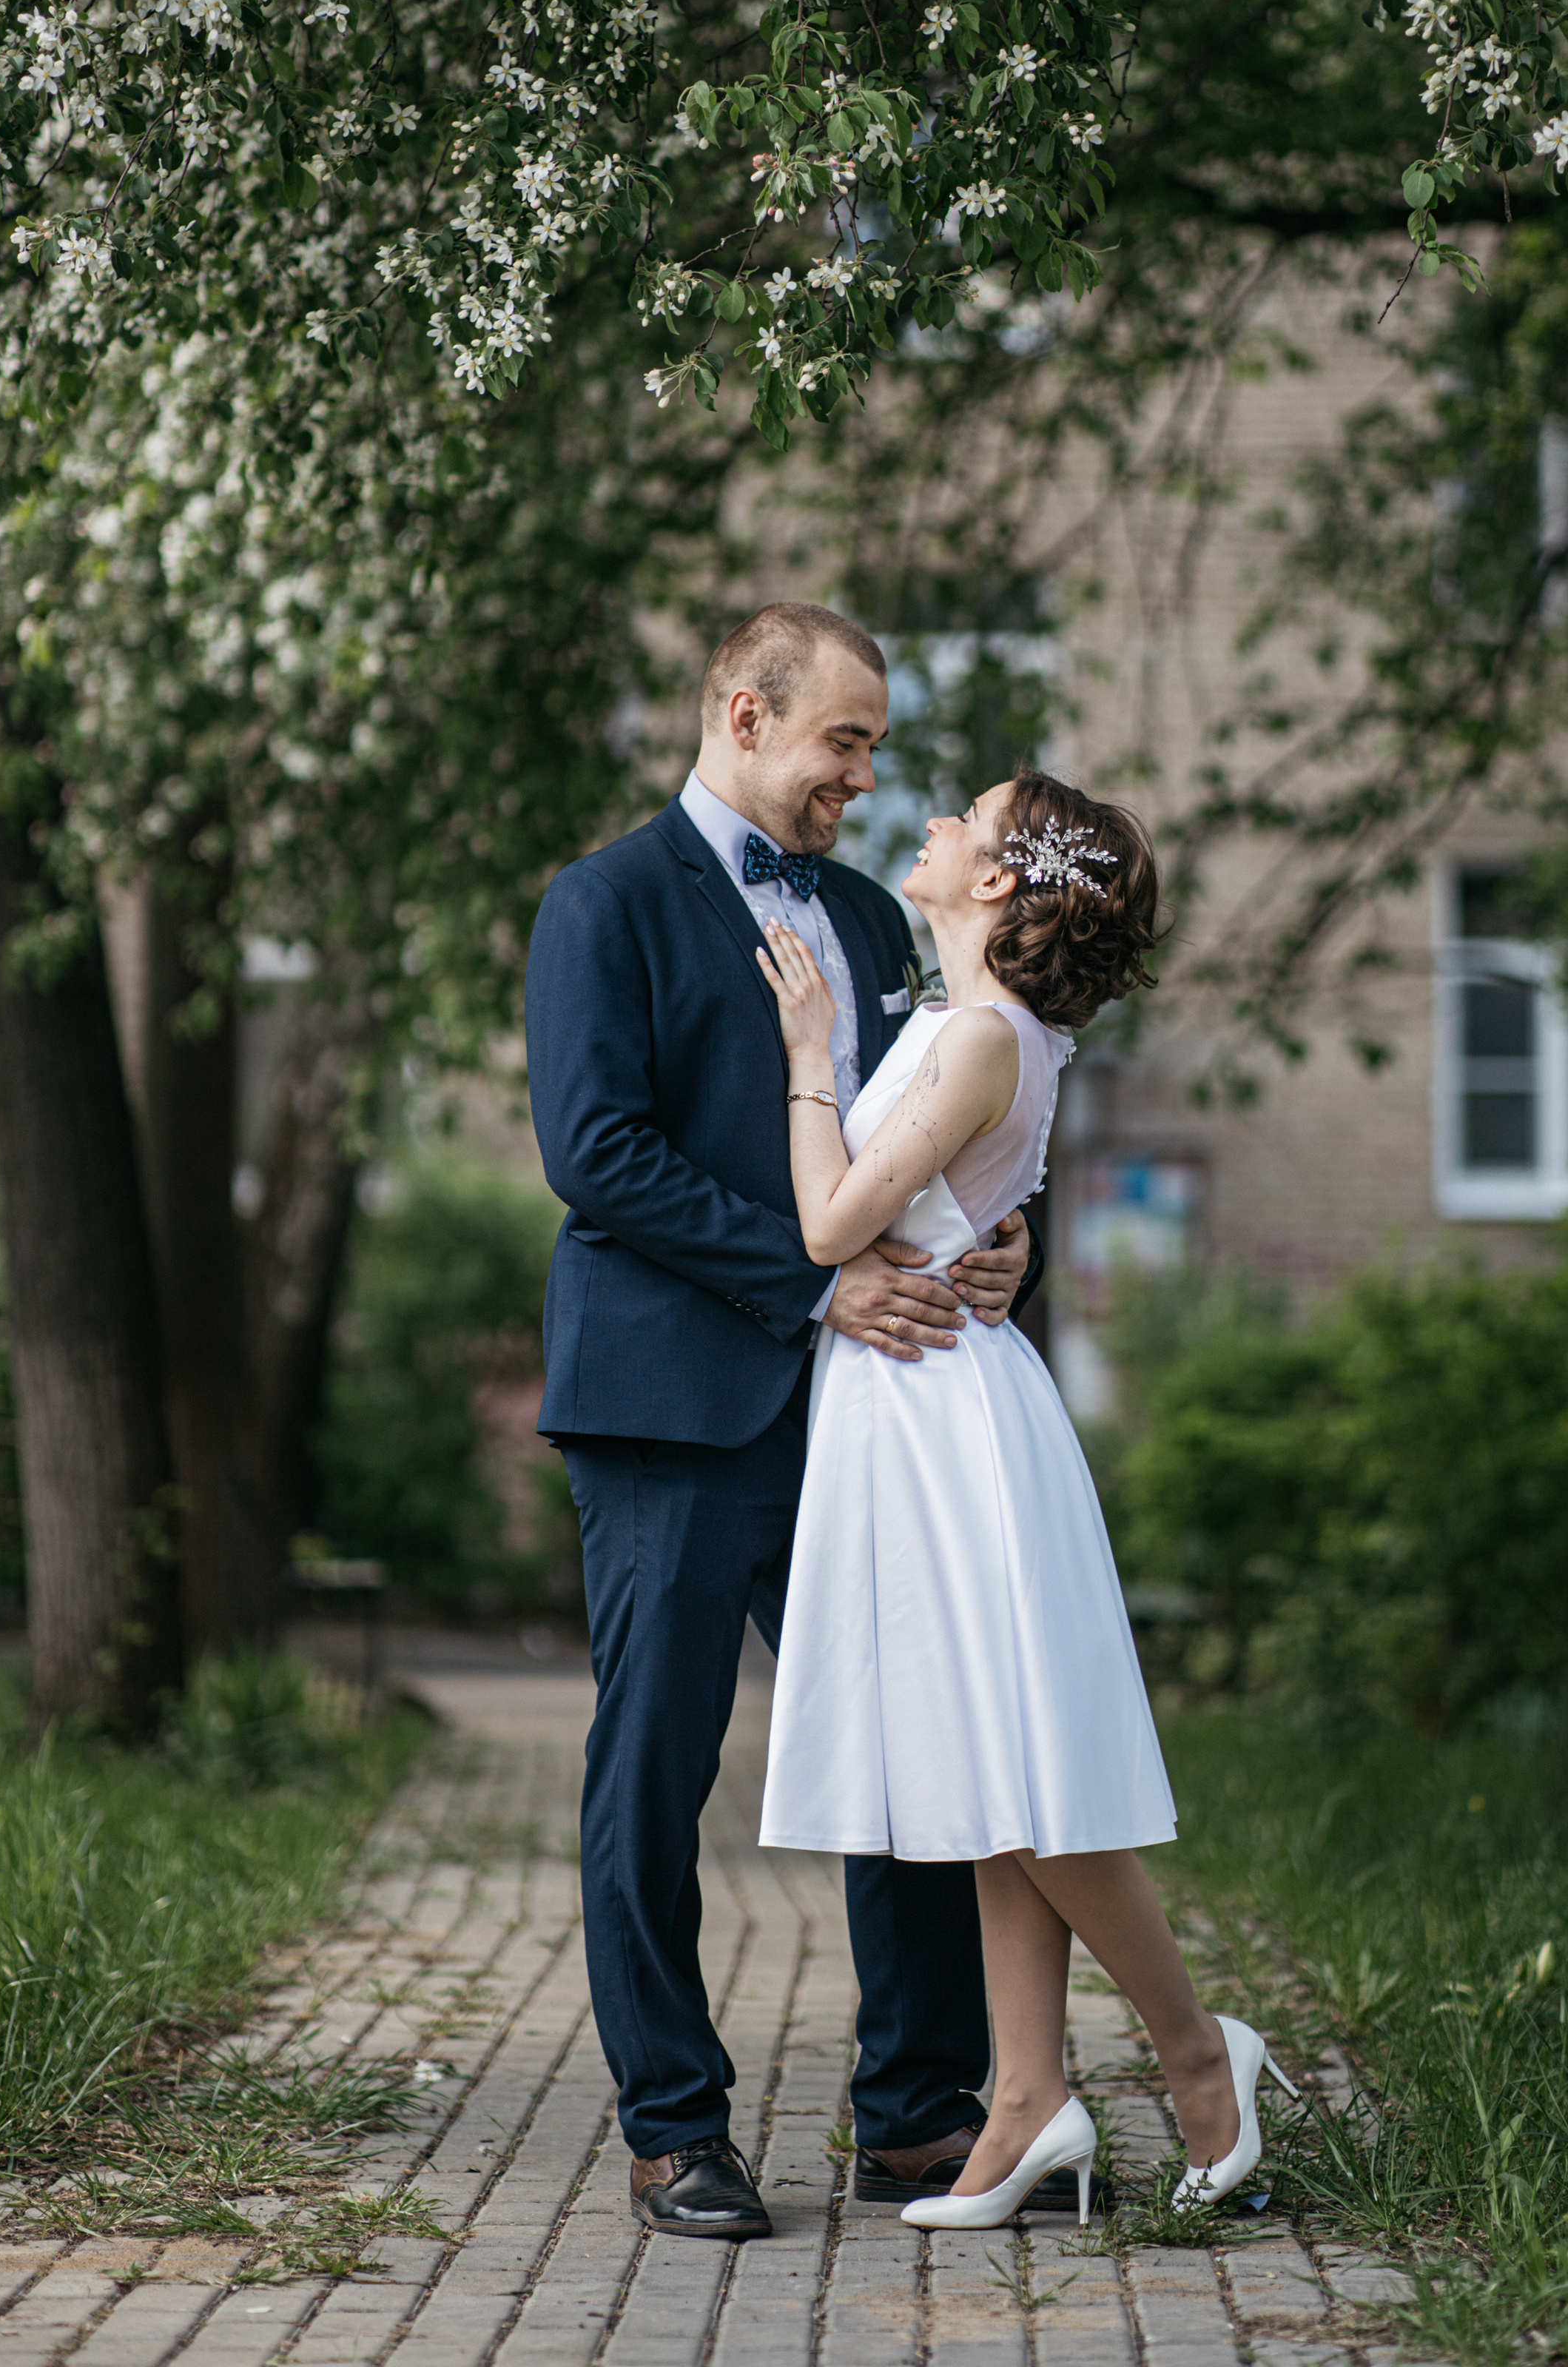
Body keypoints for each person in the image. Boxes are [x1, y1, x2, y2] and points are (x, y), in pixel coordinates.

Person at [525, 603, 1068, 2243]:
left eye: (879, 752)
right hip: (673, 1409)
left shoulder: (859, 913)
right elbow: (596, 1153)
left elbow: (925, 1118)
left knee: (911, 1753)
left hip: (868, 1409)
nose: (863, 779)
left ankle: (915, 2116)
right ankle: (673, 2124)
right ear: (746, 714)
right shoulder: (602, 903)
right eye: (844, 743)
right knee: (657, 1763)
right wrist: (810, 1284)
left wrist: (999, 1232)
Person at [756, 770, 1296, 2227]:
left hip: (942, 1426)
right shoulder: (972, 1028)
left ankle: (1201, 2062)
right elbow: (943, 1216)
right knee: (987, 1788)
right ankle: (1024, 2097)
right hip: (915, 1405)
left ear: (995, 883)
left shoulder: (984, 1038)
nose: (928, 822)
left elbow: (827, 1224)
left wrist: (810, 1052)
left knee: (1030, 1794)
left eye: (960, 815)